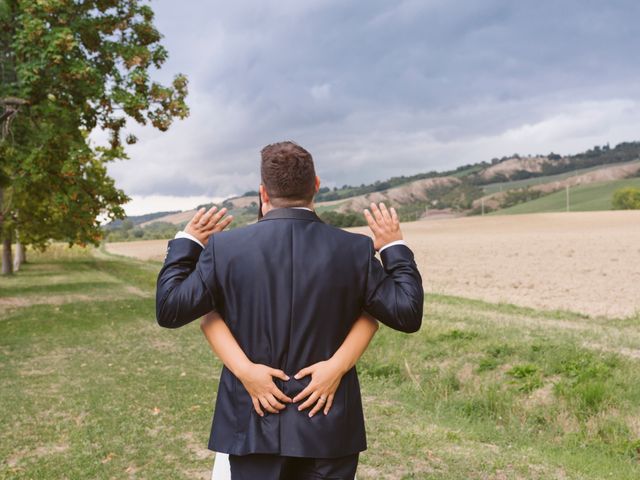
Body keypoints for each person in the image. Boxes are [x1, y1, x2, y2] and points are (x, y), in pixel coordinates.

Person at [156, 141, 424, 480]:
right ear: (316, 185)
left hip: (253, 423)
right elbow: (407, 313)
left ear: (263, 193)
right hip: (328, 424)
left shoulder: (226, 249)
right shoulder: (355, 250)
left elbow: (170, 309)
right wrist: (393, 247)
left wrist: (188, 243)